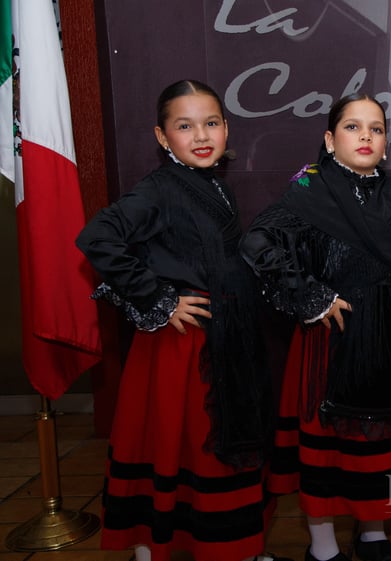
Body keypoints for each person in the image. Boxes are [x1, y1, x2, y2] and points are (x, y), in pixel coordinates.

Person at [76, 80, 289, 561]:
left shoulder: (214, 184)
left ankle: (233, 547)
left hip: (225, 340)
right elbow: (97, 237)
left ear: (226, 127)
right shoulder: (157, 190)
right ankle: (165, 548)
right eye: (184, 125)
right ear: (161, 135)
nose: (201, 135)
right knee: (187, 449)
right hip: (185, 350)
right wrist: (160, 296)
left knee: (214, 451)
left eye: (210, 123)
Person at [240, 93, 391, 561]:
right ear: (330, 140)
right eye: (353, 127)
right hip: (333, 340)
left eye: (376, 128)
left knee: (379, 442)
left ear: (387, 143)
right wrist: (310, 294)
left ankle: (373, 534)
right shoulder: (308, 186)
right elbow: (257, 243)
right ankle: (324, 546)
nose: (366, 136)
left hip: (390, 335)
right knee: (329, 451)